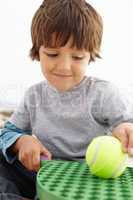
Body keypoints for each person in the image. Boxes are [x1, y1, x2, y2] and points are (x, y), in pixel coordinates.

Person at [0, 0, 133, 199]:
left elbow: (126, 123)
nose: (64, 67)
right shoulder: (34, 95)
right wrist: (22, 140)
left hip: (92, 179)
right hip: (46, 173)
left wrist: (125, 129)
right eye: (52, 54)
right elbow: (9, 131)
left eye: (77, 57)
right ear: (38, 52)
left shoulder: (104, 93)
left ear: (90, 56)